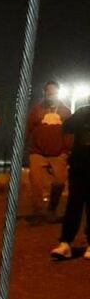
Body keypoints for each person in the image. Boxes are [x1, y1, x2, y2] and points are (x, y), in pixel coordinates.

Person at [25, 80, 71, 222]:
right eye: (49, 92)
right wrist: (24, 148)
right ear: (44, 93)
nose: (51, 95)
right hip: (37, 153)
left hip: (58, 154)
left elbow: (70, 133)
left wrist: (66, 152)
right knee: (36, 183)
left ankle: (52, 209)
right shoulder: (36, 110)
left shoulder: (65, 111)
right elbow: (27, 130)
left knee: (59, 181)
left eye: (54, 92)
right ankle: (38, 212)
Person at [51, 99, 90, 261]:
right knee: (73, 204)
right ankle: (65, 242)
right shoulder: (83, 112)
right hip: (79, 165)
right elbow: (67, 127)